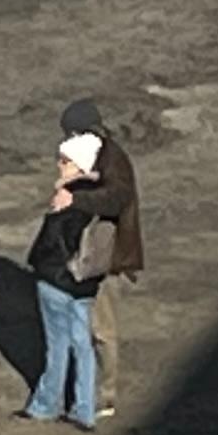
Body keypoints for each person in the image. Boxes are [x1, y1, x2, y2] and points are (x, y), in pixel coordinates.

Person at [58, 98, 146, 417]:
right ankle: (86, 390)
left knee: (102, 330)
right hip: (90, 255)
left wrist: (77, 199)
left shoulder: (112, 160)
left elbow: (116, 199)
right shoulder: (96, 155)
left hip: (106, 258)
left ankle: (105, 397)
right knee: (84, 326)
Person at [23, 131, 112, 427]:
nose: (59, 165)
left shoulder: (67, 199)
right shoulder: (104, 198)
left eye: (65, 160)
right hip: (87, 283)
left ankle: (45, 405)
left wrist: (36, 264)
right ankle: (85, 410)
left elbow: (48, 243)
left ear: (78, 164)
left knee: (58, 345)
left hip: (57, 281)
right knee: (83, 346)